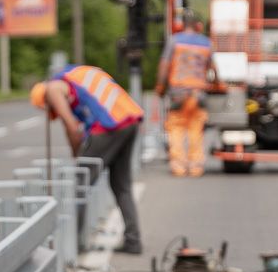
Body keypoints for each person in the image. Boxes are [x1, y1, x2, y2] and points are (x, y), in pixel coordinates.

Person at [31, 65, 144, 254]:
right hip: (128, 119)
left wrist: (78, 159)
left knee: (79, 187)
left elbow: (72, 128)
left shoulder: (51, 90)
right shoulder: (74, 75)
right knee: (121, 185)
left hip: (108, 126)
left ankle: (72, 246)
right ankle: (133, 241)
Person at [157, 14, 214, 177]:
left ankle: (179, 166)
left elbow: (164, 65)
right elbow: (213, 68)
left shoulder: (174, 41)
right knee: (196, 129)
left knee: (176, 127)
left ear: (183, 25)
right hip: (199, 94)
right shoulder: (206, 43)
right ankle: (196, 167)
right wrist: (218, 83)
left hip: (178, 93)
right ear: (197, 26)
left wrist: (160, 86)